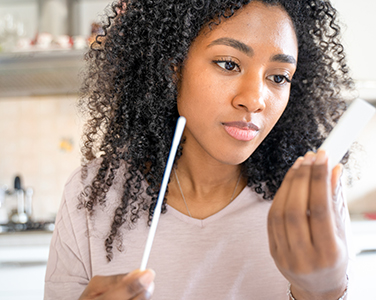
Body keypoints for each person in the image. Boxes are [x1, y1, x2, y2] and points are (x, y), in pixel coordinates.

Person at [44, 0, 355, 299]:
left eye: (278, 77)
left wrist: (323, 292)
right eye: (229, 64)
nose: (255, 99)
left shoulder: (313, 198)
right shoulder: (90, 196)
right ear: (174, 66)